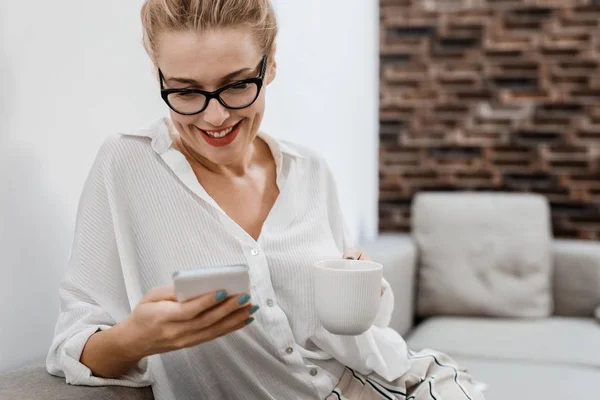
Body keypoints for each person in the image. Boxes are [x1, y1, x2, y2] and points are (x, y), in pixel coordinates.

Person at [46, 0, 486, 399]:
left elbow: (361, 333)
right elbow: (69, 345)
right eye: (185, 92)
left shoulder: (309, 171)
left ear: (270, 63)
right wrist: (137, 339)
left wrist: (362, 287)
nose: (214, 116)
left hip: (392, 385)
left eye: (237, 85)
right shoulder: (125, 166)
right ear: (159, 76)